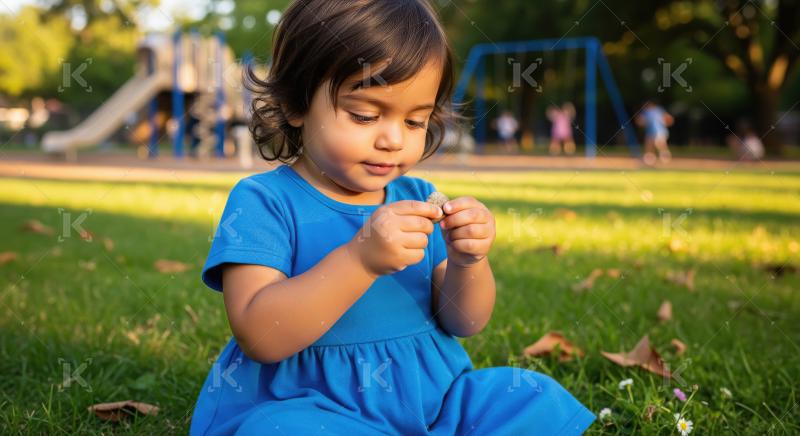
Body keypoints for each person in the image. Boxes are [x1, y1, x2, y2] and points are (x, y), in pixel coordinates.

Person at [190, 1, 596, 434]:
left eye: (416, 120)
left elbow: (466, 321)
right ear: (295, 103)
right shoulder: (265, 201)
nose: (392, 139)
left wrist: (468, 261)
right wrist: (359, 260)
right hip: (312, 405)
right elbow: (261, 334)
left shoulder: (418, 198)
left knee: (529, 395)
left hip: (432, 403)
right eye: (365, 115)